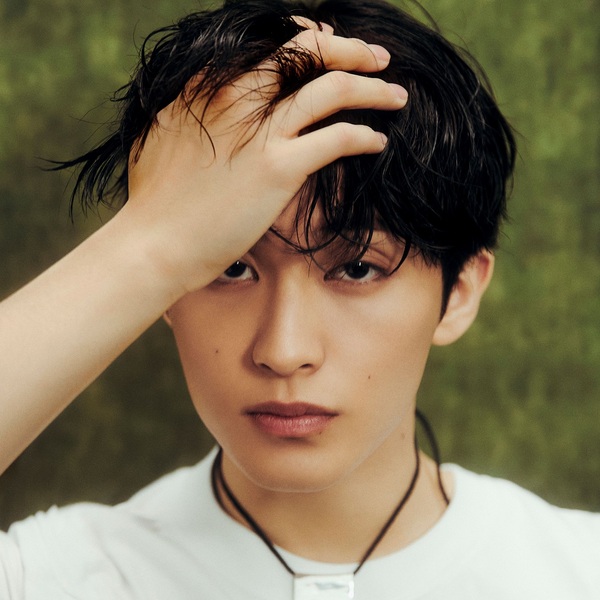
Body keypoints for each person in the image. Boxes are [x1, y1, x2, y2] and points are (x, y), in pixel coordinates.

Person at [0, 0, 598, 598]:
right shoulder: (55, 576)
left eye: (358, 267)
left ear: (460, 290)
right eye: (231, 265)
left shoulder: (578, 570)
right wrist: (148, 245)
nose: (284, 352)